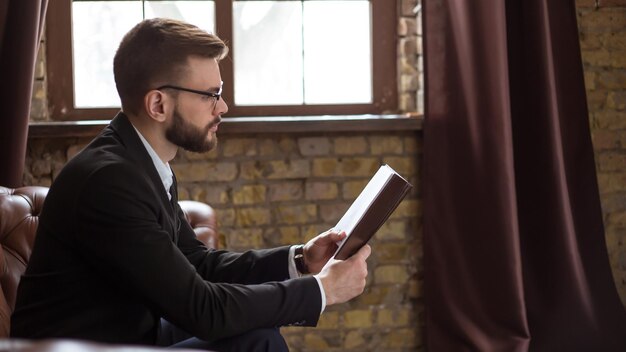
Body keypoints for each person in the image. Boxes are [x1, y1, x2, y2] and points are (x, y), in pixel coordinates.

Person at [10, 18, 371, 351]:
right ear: (158, 104)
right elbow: (203, 310)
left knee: (257, 334)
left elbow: (197, 263)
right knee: (255, 343)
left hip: (131, 333)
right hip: (89, 348)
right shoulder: (109, 180)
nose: (223, 107)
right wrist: (322, 290)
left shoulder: (141, 161)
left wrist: (301, 261)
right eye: (209, 95)